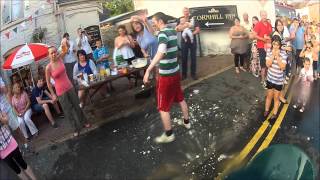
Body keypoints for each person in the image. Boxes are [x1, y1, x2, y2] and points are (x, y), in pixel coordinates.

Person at [143, 12, 190, 144]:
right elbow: (154, 33)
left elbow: (161, 51)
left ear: (160, 21)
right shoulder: (170, 31)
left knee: (163, 107)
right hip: (175, 72)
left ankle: (169, 134)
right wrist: (145, 22)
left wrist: (148, 69)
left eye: (154, 22)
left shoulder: (163, 34)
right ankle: (187, 122)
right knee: (180, 98)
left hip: (166, 76)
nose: (153, 24)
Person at [45, 46, 91, 137]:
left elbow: (66, 48)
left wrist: (65, 43)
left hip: (69, 87)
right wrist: (53, 95)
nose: (54, 54)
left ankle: (84, 122)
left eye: (54, 52)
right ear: (48, 56)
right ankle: (75, 128)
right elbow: (48, 84)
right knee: (68, 111)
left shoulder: (61, 58)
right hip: (60, 92)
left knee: (77, 106)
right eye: (51, 53)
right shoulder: (48, 68)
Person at [0, 112, 37, 180]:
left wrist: (1, 118)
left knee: (23, 164)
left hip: (10, 142)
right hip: (2, 151)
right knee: (16, 170)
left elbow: (6, 121)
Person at [0, 77, 29, 149]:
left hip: (6, 109)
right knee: (7, 134)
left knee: (16, 129)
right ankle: (15, 149)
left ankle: (26, 144)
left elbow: (5, 90)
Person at [264, 39, 287, 122]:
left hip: (278, 80)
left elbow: (283, 67)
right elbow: (267, 64)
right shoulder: (269, 52)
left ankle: (274, 113)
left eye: (277, 45)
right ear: (272, 45)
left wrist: (277, 56)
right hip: (270, 79)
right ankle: (266, 110)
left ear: (280, 45)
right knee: (269, 96)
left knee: (276, 97)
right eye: (274, 44)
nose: (276, 46)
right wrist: (273, 56)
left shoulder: (283, 54)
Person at [176, 7, 201, 80]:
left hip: (193, 41)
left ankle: (193, 74)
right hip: (184, 42)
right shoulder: (180, 19)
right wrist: (185, 27)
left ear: (189, 12)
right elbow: (177, 29)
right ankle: (184, 75)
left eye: (187, 11)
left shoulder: (193, 19)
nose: (186, 12)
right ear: (183, 12)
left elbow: (198, 30)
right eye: (184, 11)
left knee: (193, 58)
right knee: (184, 58)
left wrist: (191, 34)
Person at [253, 10, 273, 89]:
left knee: (269, 63)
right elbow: (254, 35)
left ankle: (268, 78)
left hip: (269, 46)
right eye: (263, 15)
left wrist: (269, 38)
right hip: (261, 47)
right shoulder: (258, 24)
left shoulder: (269, 24)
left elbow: (271, 34)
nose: (264, 16)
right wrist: (263, 39)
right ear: (260, 15)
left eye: (265, 15)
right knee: (263, 64)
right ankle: (263, 80)